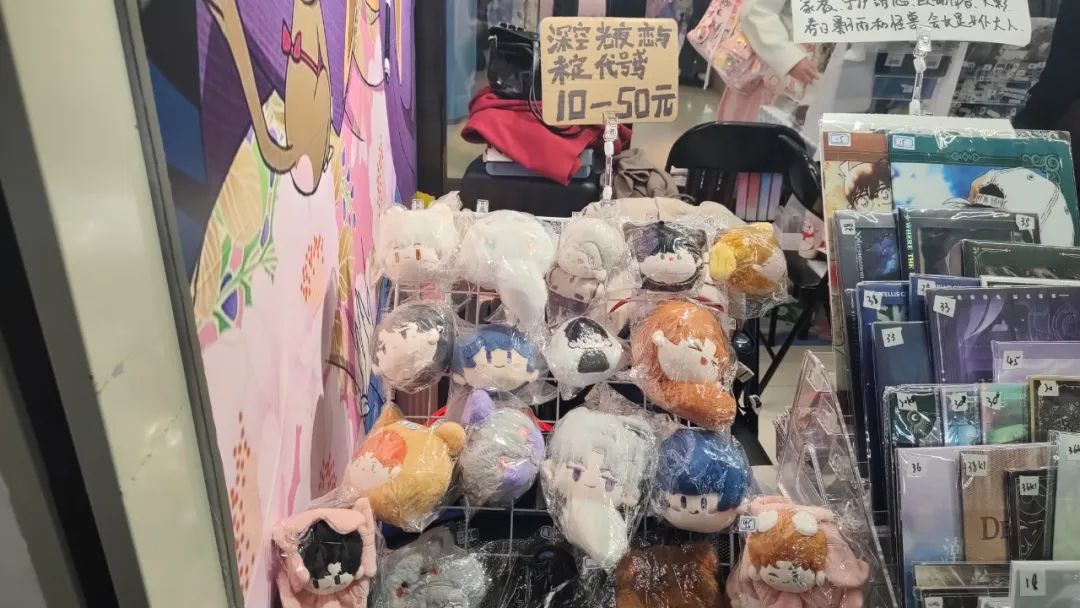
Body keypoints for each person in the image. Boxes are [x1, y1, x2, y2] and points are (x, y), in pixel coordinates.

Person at [717, 0, 818, 121]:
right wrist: (789, 57)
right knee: (752, 127)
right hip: (765, 76)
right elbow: (755, 12)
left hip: (807, 86)